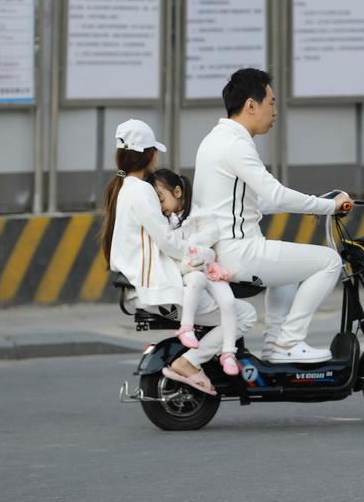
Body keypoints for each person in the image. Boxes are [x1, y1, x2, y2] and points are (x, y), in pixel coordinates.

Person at [193, 68, 351, 363]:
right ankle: (288, 342)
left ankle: (274, 344)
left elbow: (257, 202)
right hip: (240, 253)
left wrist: (315, 203)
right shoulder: (237, 145)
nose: (275, 112)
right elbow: (276, 194)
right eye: (272, 103)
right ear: (251, 106)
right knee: (330, 262)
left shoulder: (214, 140)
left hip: (220, 252)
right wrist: (328, 206)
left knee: (288, 272)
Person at [101, 119, 255, 394]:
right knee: (245, 314)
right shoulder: (142, 191)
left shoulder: (124, 188)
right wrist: (205, 253)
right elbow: (168, 242)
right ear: (149, 154)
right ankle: (190, 362)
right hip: (156, 289)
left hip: (142, 285)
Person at [147, 168, 240, 376]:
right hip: (190, 269)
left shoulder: (199, 215)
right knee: (196, 279)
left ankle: (228, 352)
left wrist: (195, 247)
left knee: (229, 302)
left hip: (210, 268)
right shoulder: (164, 222)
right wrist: (196, 253)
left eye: (161, 199)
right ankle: (186, 327)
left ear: (177, 192)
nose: (160, 207)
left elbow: (211, 234)